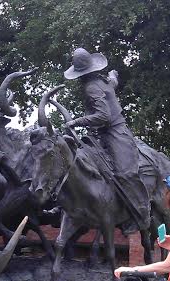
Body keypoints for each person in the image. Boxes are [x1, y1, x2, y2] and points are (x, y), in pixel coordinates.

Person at [63, 47, 150, 232]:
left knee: (125, 173)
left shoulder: (91, 87)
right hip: (101, 133)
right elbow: (113, 83)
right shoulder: (102, 79)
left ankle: (142, 213)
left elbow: (103, 116)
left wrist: (76, 121)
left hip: (115, 132)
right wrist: (114, 75)